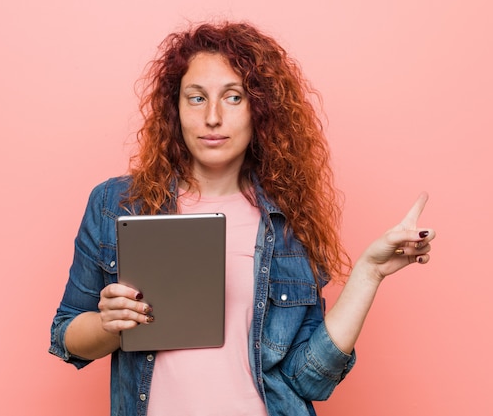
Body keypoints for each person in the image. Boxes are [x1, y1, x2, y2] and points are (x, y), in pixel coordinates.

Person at [49, 21, 435, 416]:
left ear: (260, 109)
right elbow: (65, 334)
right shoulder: (117, 204)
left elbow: (309, 378)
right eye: (196, 98)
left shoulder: (289, 222)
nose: (212, 117)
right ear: (175, 109)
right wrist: (109, 325)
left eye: (233, 97)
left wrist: (368, 273)